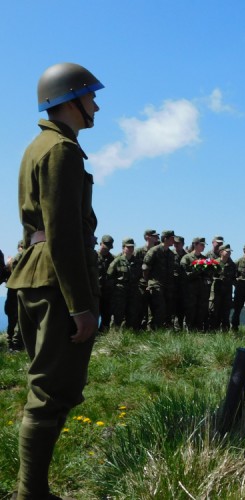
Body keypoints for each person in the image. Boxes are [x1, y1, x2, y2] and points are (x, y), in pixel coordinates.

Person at [6, 62, 104, 498]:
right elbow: (63, 235)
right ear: (71, 99)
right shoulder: (61, 149)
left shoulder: (39, 145)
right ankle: (31, 494)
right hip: (55, 281)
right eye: (90, 97)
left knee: (47, 386)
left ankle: (33, 490)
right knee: (51, 391)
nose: (96, 105)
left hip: (35, 275)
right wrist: (80, 306)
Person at [142, 229, 176, 330]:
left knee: (167, 310)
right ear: (165, 239)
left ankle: (162, 331)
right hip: (155, 284)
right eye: (171, 238)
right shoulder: (154, 251)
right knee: (157, 309)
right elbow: (145, 268)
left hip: (167, 286)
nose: (173, 241)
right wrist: (148, 282)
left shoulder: (171, 254)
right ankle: (152, 331)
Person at [107, 237, 140, 329]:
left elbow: (140, 276)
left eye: (132, 247)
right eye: (128, 247)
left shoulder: (137, 261)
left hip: (133, 292)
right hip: (120, 292)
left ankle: (128, 334)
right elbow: (109, 276)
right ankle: (114, 334)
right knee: (118, 314)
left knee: (132, 314)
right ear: (123, 247)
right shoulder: (117, 260)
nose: (130, 249)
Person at [209, 247, 236, 330]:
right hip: (216, 290)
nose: (229, 253)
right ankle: (213, 329)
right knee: (214, 310)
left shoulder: (232, 264)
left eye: (230, 251)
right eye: (227, 251)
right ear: (221, 252)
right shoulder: (214, 263)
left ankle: (225, 331)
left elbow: (234, 277)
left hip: (227, 291)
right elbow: (209, 275)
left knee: (226, 311)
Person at [4, 241, 24, 352]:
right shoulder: (23, 256)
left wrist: (8, 264)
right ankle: (16, 345)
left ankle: (11, 344)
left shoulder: (13, 260)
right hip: (19, 293)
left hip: (12, 293)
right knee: (18, 319)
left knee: (13, 320)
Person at [230, 244, 245, 331]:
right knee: (237, 309)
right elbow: (232, 275)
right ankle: (234, 327)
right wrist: (236, 284)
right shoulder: (238, 262)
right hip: (240, 289)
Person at [96, 234, 115, 332]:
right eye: (105, 246)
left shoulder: (113, 259)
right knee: (94, 315)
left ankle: (104, 336)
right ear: (100, 244)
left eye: (109, 247)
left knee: (106, 316)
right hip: (95, 292)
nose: (107, 249)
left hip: (108, 293)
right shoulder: (93, 256)